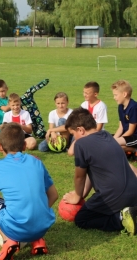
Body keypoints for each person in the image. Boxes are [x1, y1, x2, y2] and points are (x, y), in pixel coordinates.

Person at [0, 122, 58, 259]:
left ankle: (7, 241)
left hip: (14, 229)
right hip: (43, 227)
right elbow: (54, 195)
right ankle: (37, 240)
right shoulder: (36, 161)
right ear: (24, 146)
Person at [63, 107, 137, 235]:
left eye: (73, 135)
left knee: (82, 219)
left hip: (113, 194)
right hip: (134, 191)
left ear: (80, 130)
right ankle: (130, 210)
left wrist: (76, 196)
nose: (74, 139)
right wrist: (83, 194)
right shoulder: (107, 135)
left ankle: (120, 219)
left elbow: (80, 177)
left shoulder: (82, 144)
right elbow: (90, 172)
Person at [67, 81, 108, 156]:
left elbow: (99, 127)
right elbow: (78, 120)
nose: (84, 95)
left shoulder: (101, 106)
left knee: (77, 151)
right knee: (71, 152)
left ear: (95, 94)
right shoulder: (84, 104)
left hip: (96, 134)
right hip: (83, 133)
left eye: (87, 93)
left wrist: (87, 136)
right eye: (84, 92)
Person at [111, 80, 137, 160]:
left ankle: (134, 150)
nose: (114, 98)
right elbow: (121, 127)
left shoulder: (133, 107)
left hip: (134, 137)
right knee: (108, 139)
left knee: (114, 145)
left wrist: (116, 141)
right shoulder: (120, 106)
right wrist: (113, 139)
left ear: (124, 94)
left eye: (116, 95)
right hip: (126, 135)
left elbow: (131, 131)